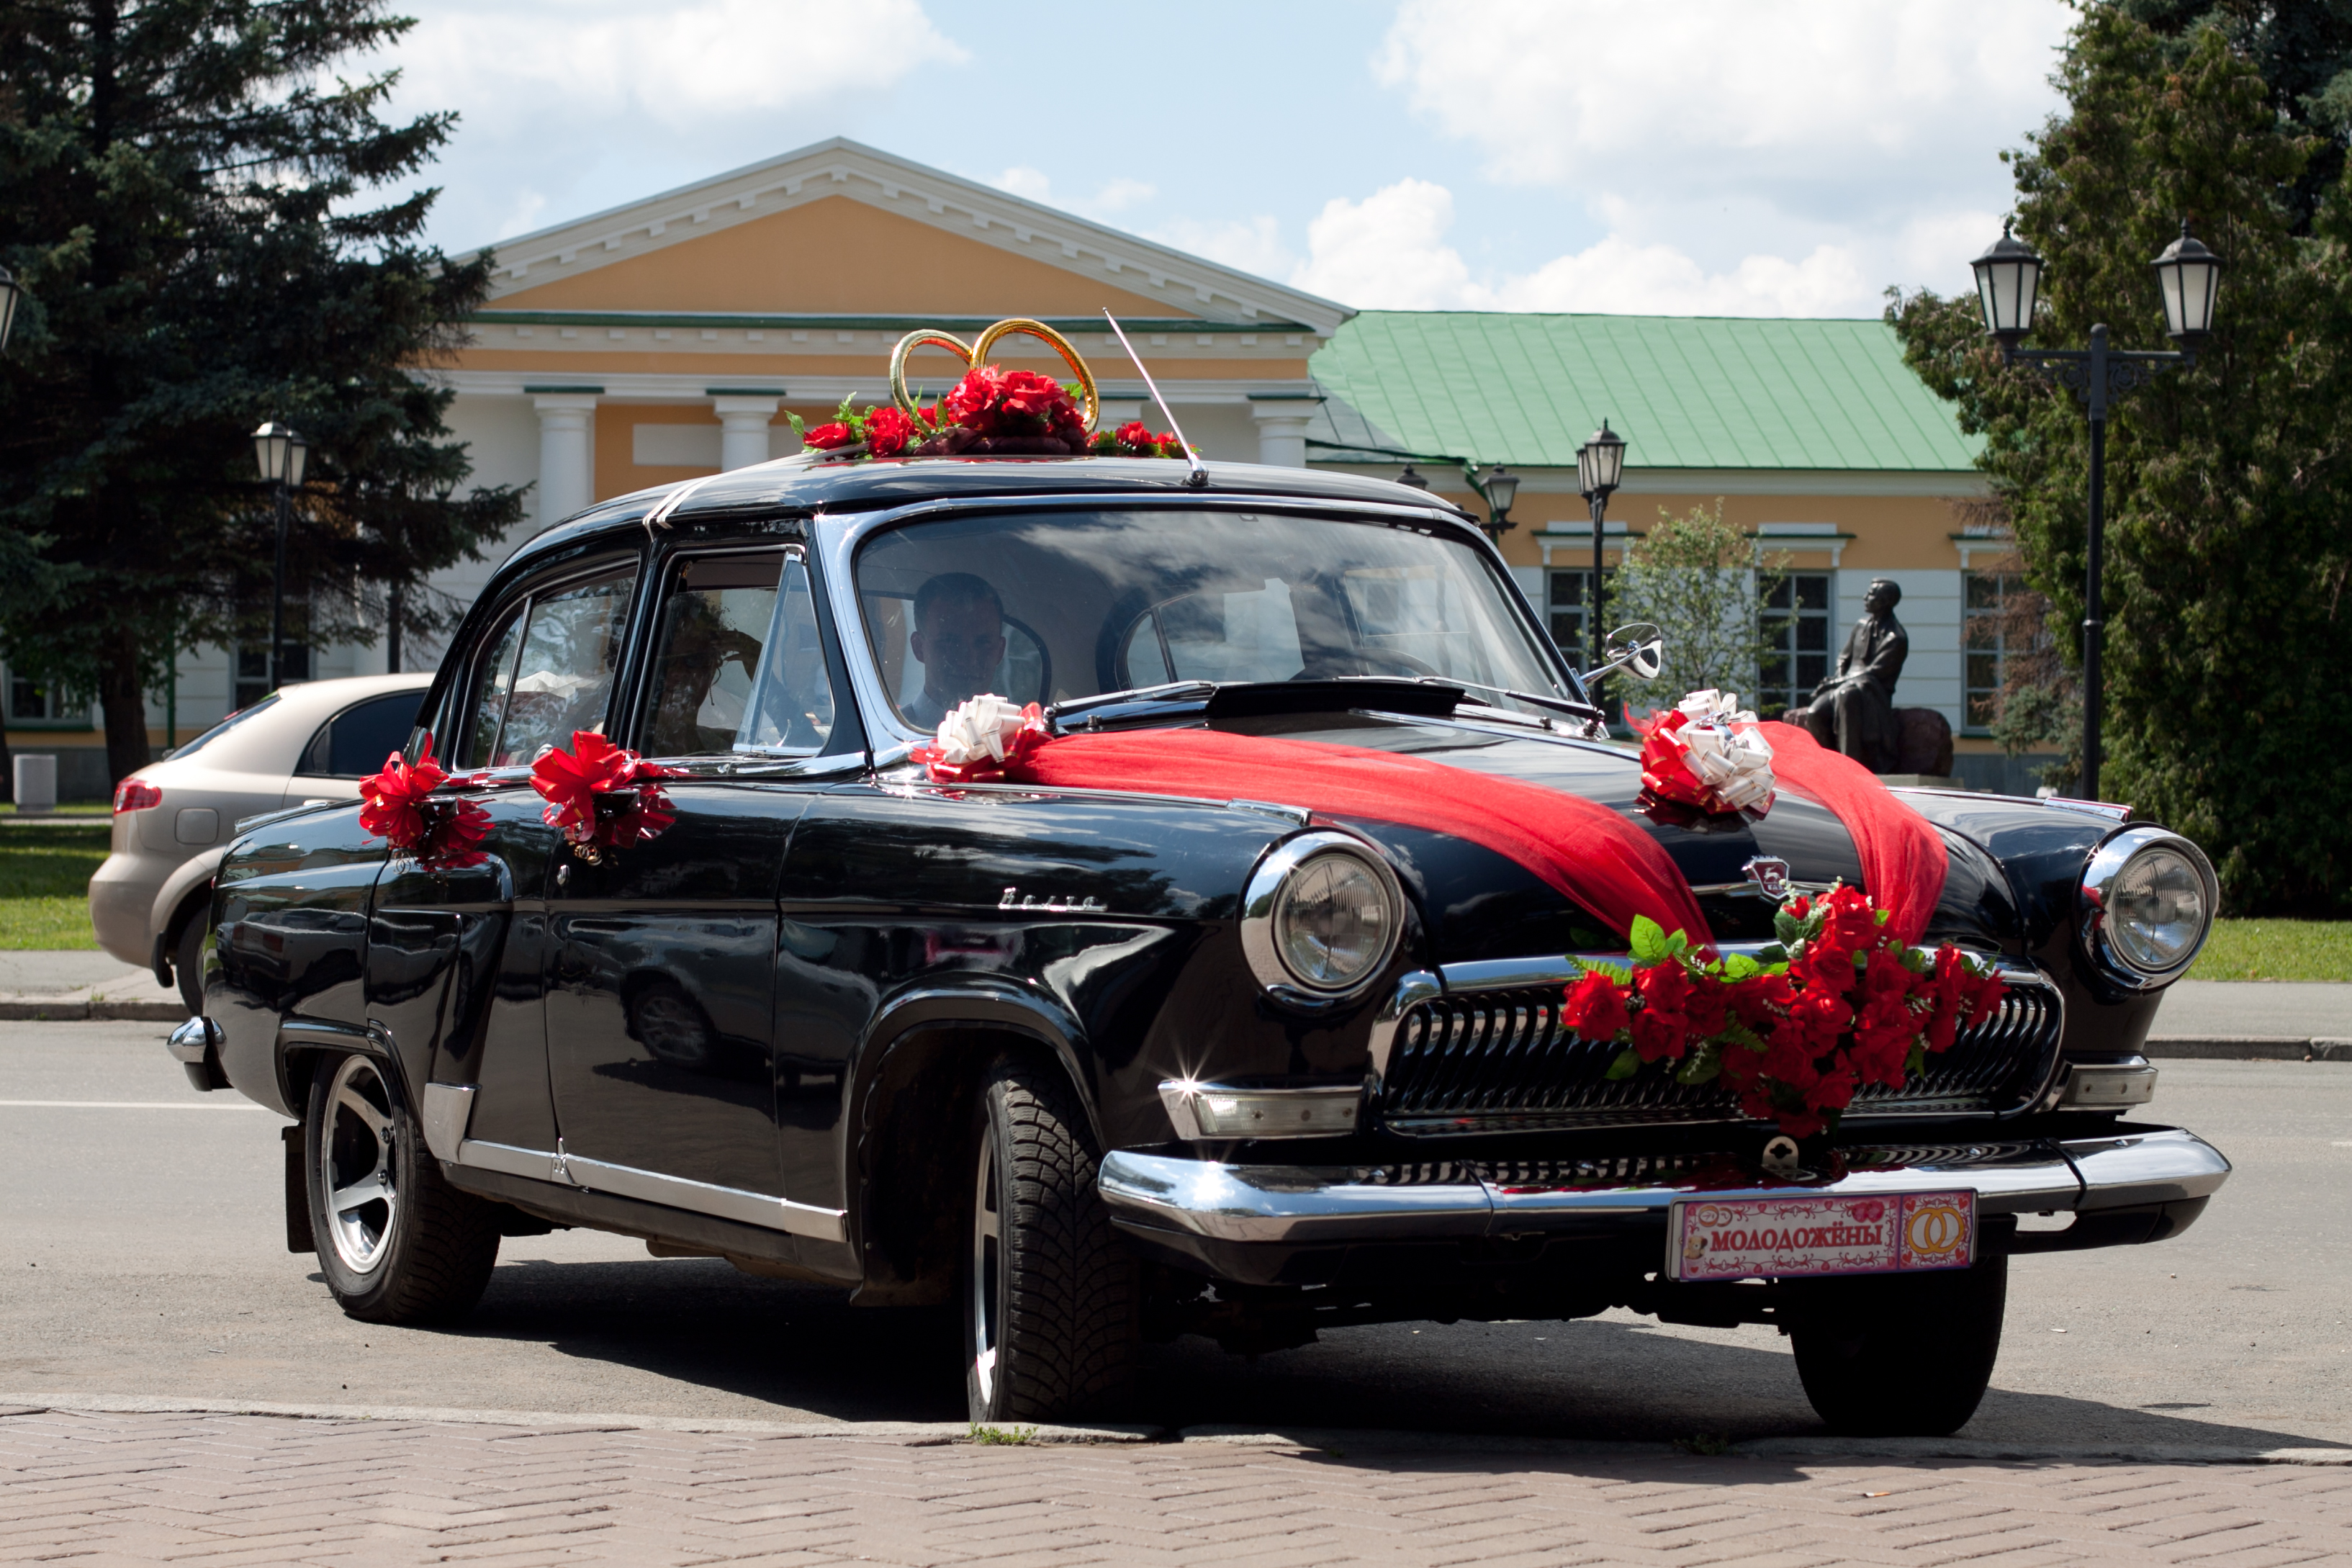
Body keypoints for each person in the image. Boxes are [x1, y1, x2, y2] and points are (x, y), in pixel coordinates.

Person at [1795, 577, 1909, 771]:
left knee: (1847, 696)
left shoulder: (1896, 638)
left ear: (1886, 601)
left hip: (1872, 691)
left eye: (1872, 594)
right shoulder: (1861, 625)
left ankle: (1850, 767)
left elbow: (1874, 672)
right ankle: (1830, 764)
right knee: (1815, 713)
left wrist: (1837, 683)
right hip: (1845, 683)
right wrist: (1838, 677)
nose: (1865, 597)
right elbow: (1844, 658)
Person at [902, 572, 1006, 729]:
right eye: (949, 643)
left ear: (1000, 650)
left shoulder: (1024, 734)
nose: (968, 659)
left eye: (983, 643)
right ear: (919, 648)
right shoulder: (889, 739)